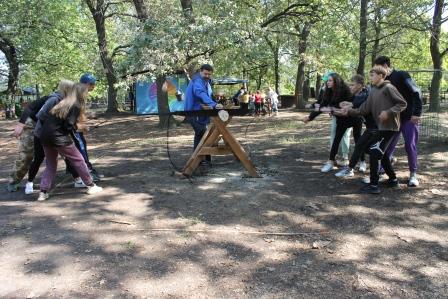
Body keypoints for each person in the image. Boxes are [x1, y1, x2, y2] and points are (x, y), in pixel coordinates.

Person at [341, 66, 407, 194]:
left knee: (375, 152)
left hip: (389, 127)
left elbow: (402, 103)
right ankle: (393, 180)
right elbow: (364, 109)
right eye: (370, 75)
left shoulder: (389, 88)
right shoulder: (373, 91)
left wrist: (388, 112)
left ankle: (374, 186)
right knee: (376, 152)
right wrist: (349, 111)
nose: (370, 78)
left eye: (372, 75)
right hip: (380, 127)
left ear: (381, 76)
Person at [37, 83, 103, 201]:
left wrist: (79, 125)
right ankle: (91, 186)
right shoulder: (76, 105)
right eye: (86, 92)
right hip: (59, 137)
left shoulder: (62, 103)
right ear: (81, 93)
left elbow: (59, 122)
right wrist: (80, 127)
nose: (87, 94)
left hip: (45, 136)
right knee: (79, 160)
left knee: (51, 165)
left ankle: (43, 192)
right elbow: (68, 126)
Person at [6, 81, 75, 192]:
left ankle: (76, 174)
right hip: (33, 124)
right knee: (27, 154)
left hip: (50, 126)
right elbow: (30, 108)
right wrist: (20, 125)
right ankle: (14, 181)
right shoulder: (52, 98)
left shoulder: (70, 102)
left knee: (67, 148)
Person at [373, 56, 423, 187]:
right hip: (393, 120)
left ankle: (413, 174)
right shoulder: (382, 81)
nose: (375, 72)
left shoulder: (402, 75)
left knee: (410, 145)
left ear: (385, 65)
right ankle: (383, 170)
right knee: (387, 147)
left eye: (377, 68)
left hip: (409, 117)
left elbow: (416, 91)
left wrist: (417, 113)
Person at [302, 73, 352, 172]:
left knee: (346, 136)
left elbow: (349, 104)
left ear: (336, 81)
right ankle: (332, 160)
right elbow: (322, 105)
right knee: (335, 136)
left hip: (350, 118)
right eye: (327, 80)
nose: (327, 82)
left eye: (330, 80)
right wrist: (310, 117)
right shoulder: (328, 91)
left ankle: (347, 159)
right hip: (337, 117)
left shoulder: (344, 90)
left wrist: (333, 109)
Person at [335, 75, 375, 178]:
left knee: (370, 148)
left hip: (377, 127)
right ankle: (350, 169)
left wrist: (349, 105)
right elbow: (357, 108)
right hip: (371, 127)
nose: (350, 87)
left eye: (352, 85)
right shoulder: (356, 95)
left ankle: (384, 166)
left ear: (360, 85)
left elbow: (360, 102)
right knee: (362, 146)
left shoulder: (367, 93)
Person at [65, 73, 102, 183]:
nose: (93, 87)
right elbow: (73, 113)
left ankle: (75, 170)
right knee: (80, 148)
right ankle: (86, 172)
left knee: (79, 147)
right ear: (86, 84)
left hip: (75, 126)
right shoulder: (76, 94)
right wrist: (79, 126)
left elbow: (80, 113)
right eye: (92, 84)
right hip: (71, 127)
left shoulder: (81, 94)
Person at [184, 64, 223, 166]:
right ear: (200, 71)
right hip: (194, 112)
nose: (207, 76)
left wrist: (214, 102)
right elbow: (200, 93)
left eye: (209, 74)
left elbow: (208, 95)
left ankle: (202, 160)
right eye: (205, 73)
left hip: (202, 113)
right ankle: (202, 159)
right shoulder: (197, 80)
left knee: (201, 135)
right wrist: (213, 104)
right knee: (204, 135)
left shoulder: (206, 82)